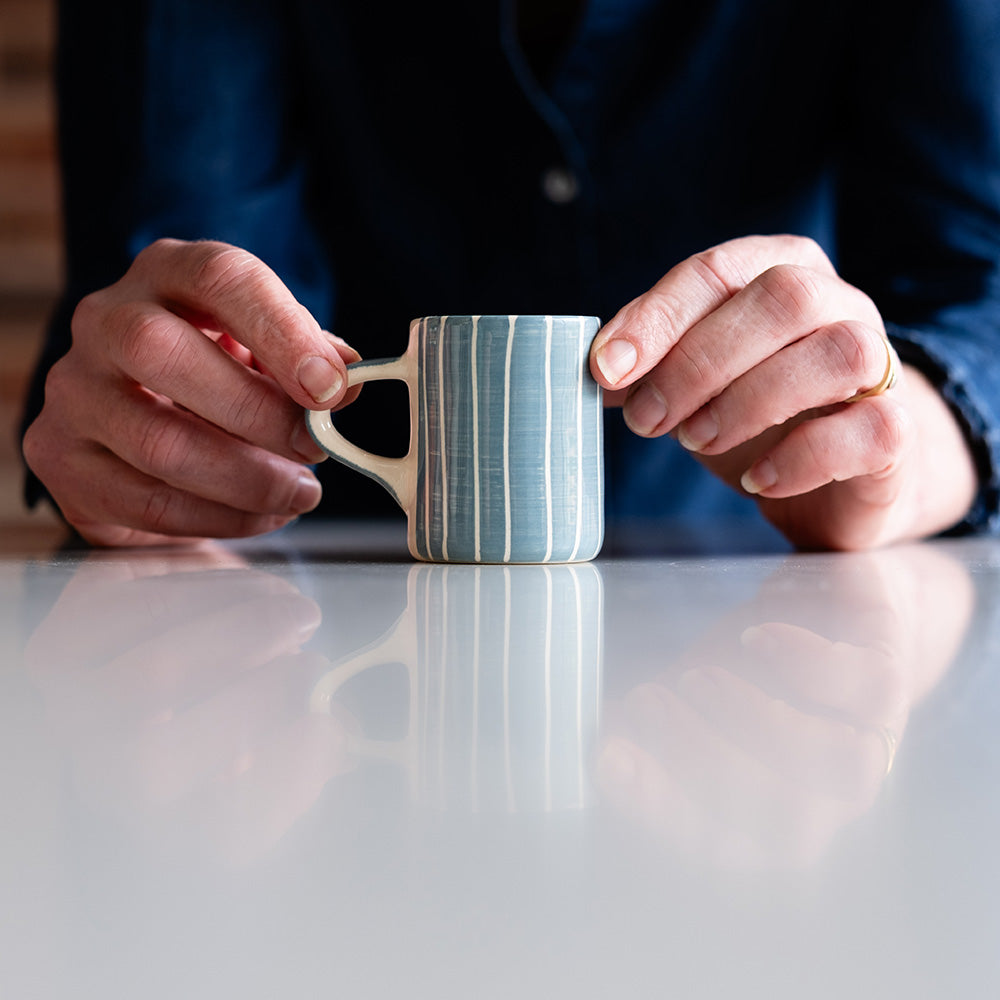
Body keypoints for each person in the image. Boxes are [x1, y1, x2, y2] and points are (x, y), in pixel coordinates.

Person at [19, 0, 1000, 550]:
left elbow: (977, 276)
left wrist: (905, 441)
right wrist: (154, 428)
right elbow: (178, 285)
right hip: (309, 640)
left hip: (756, 622)